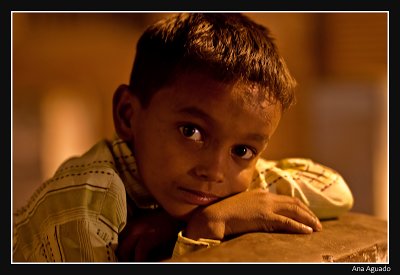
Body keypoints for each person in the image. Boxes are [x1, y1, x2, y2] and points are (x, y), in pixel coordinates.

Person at [13, 13, 354, 262]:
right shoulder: (87, 205)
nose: (214, 171)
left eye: (243, 149)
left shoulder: (210, 178)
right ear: (128, 115)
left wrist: (183, 221)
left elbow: (335, 191)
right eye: (191, 132)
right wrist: (203, 231)